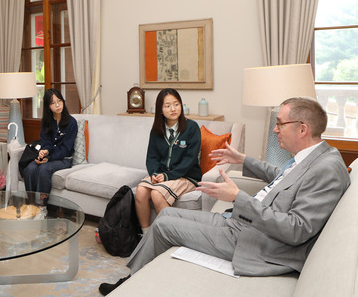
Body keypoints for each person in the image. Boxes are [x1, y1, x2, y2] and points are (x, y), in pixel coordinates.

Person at [99, 97, 350, 295]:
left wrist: (238, 197)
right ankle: (136, 278)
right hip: (242, 223)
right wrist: (242, 159)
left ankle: (131, 283)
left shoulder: (326, 169)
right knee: (168, 216)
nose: (275, 130)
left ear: (302, 129)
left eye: (280, 123)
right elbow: (281, 175)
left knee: (164, 225)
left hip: (258, 242)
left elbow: (297, 229)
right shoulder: (312, 156)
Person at [135, 88, 202, 234]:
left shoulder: (191, 127)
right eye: (167, 105)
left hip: (187, 175)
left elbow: (189, 160)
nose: (173, 109)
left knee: (157, 194)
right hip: (162, 174)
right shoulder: (156, 130)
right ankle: (146, 234)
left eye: (176, 104)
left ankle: (173, 236)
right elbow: (152, 157)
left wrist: (167, 176)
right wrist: (154, 173)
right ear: (160, 110)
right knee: (140, 191)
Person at [22, 89, 78, 216]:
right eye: (53, 103)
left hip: (64, 159)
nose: (57, 105)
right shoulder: (46, 121)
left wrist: (49, 158)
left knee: (44, 169)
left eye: (59, 101)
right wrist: (44, 152)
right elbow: (46, 142)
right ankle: (32, 206)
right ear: (48, 106)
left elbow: (66, 149)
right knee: (30, 168)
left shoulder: (71, 122)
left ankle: (42, 207)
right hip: (50, 157)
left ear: (63, 101)